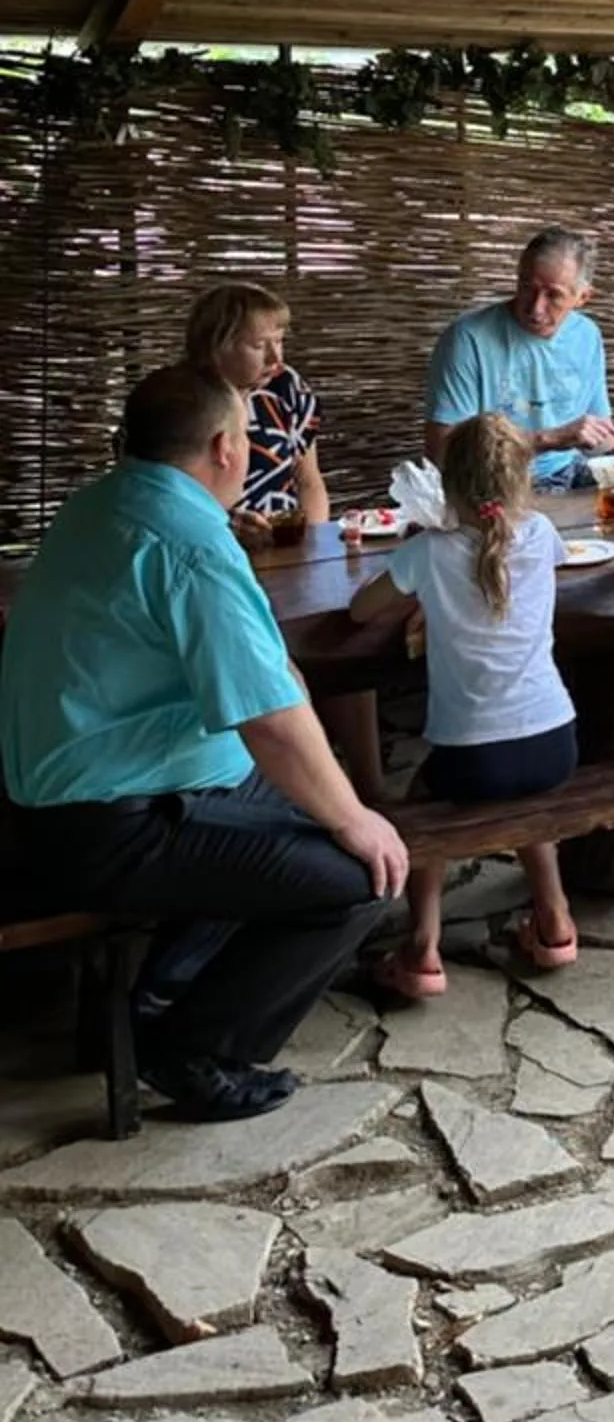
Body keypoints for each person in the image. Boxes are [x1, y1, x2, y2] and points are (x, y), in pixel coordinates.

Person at [0, 364, 406, 1122]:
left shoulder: (102, 503)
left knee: (296, 799)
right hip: (108, 824)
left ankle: (156, 990)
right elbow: (270, 721)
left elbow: (261, 677)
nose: (252, 453)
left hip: (70, 794)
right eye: (250, 439)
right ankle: (194, 1047)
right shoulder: (188, 540)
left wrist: (326, 788)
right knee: (360, 873)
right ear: (225, 446)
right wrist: (357, 819)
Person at [349, 413, 579, 994]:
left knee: (428, 798)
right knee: (524, 795)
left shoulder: (429, 551)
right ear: (521, 481)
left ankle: (422, 949)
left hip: (470, 757)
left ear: (448, 483)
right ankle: (554, 921)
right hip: (555, 741)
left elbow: (359, 612)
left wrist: (426, 589)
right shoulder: (543, 535)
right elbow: (503, 581)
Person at [424, 226, 614, 489]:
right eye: (527, 287)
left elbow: (599, 432)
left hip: (569, 477)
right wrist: (549, 439)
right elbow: (442, 453)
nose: (535, 308)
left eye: (553, 295)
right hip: (491, 486)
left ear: (583, 297)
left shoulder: (587, 336)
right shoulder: (468, 339)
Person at [184, 277, 330, 525]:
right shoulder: (178, 402)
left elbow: (309, 482)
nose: (275, 357)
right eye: (259, 345)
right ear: (217, 346)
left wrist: (312, 545)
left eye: (279, 341)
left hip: (287, 543)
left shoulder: (285, 387)